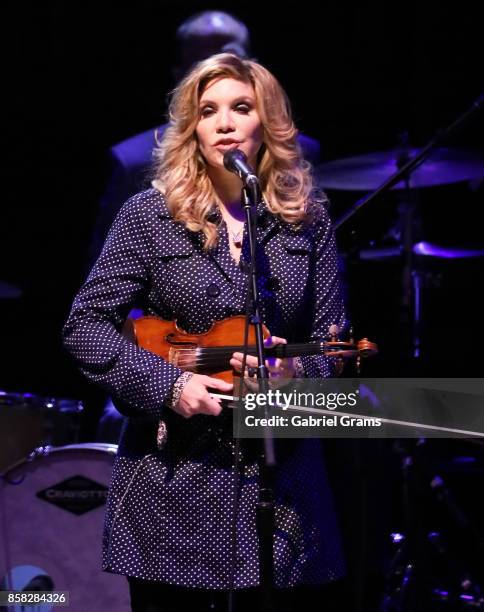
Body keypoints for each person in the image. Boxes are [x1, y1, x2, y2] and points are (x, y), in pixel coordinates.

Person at [63, 53, 346, 611]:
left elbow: (334, 344)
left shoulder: (308, 218)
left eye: (241, 108)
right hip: (173, 484)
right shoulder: (150, 216)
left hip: (283, 489)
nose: (224, 123)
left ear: (268, 123)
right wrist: (170, 387)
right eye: (207, 111)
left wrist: (295, 373)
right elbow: (85, 327)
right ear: (191, 128)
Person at [88, 10, 322, 267]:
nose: (217, 64)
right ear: (180, 74)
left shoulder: (305, 171)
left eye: (228, 52)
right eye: (202, 57)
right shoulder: (132, 165)